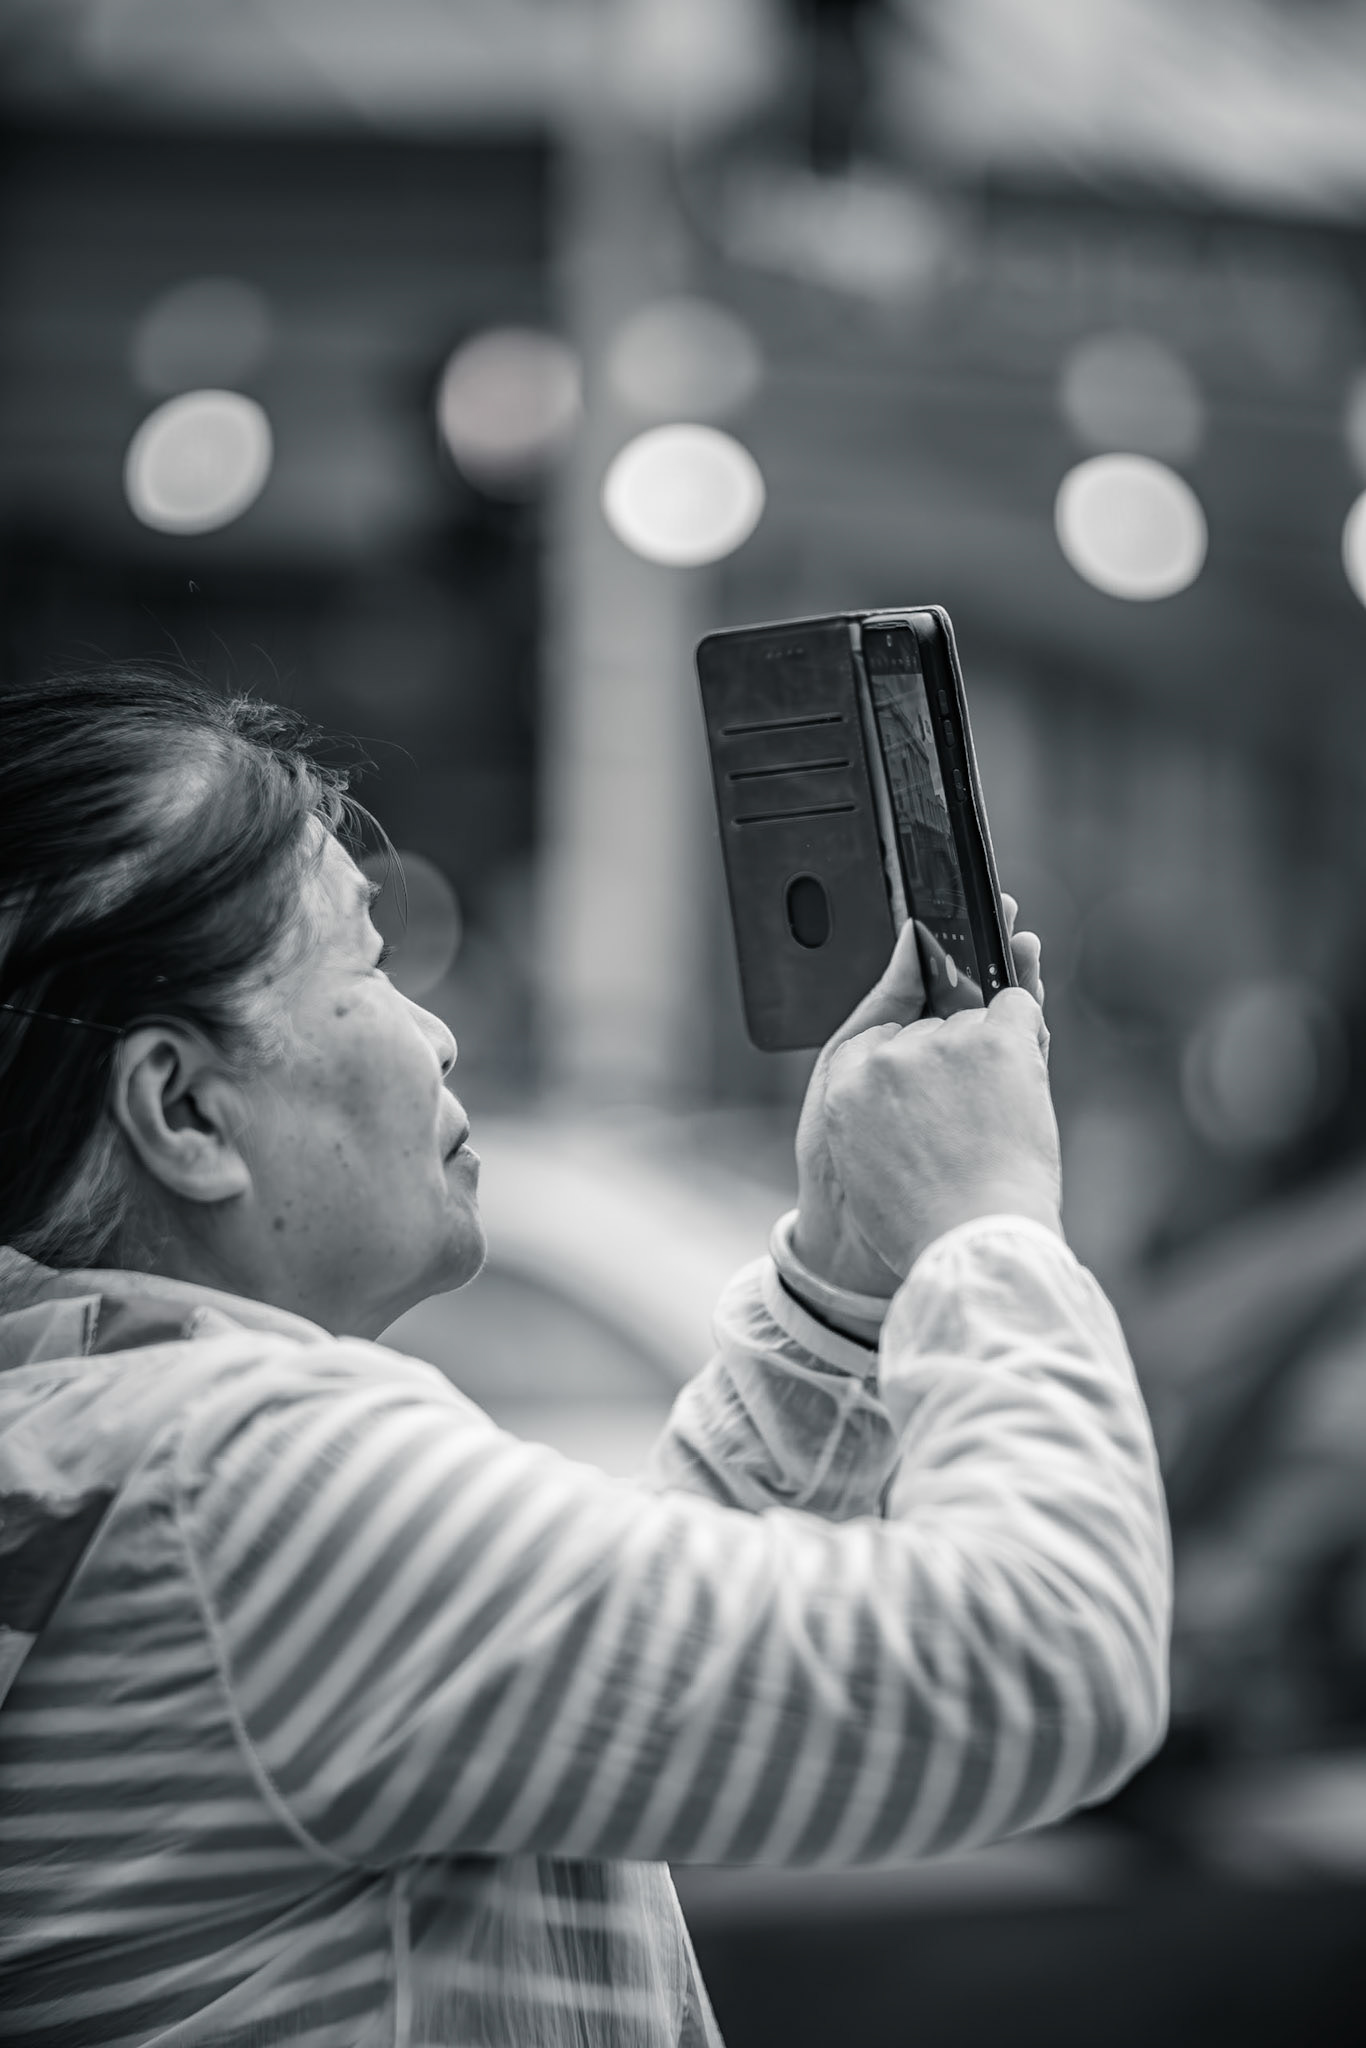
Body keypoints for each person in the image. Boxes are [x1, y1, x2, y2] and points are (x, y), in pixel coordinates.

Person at [0, 668, 1170, 2048]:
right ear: (183, 1108)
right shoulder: (230, 1479)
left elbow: (639, 1658)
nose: (438, 1035)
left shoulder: (95, 1446)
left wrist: (847, 1270)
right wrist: (988, 1219)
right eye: (366, 966)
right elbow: (1039, 1661)